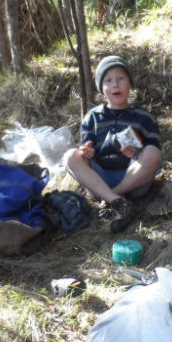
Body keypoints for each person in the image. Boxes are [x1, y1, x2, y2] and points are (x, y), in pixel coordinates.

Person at [63, 55, 162, 233]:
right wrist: (88, 153)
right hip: (100, 180)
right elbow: (86, 149)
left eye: (121, 79)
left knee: (153, 153)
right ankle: (117, 201)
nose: (115, 84)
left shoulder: (143, 116)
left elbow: (154, 150)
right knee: (70, 156)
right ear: (102, 89)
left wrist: (137, 153)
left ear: (130, 84)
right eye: (108, 81)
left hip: (134, 180)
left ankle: (113, 198)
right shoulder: (92, 117)